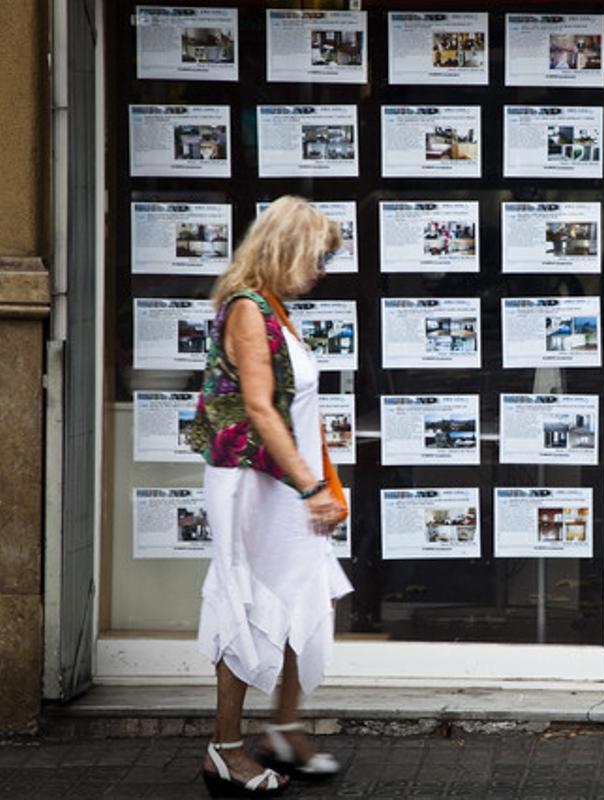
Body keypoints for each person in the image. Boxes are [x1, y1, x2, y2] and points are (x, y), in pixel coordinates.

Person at [190, 196, 353, 797]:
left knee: (302, 595)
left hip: (285, 484)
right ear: (285, 249)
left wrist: (315, 483)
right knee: (247, 604)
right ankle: (224, 750)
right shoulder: (247, 311)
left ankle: (283, 728)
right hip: (256, 486)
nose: (323, 270)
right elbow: (259, 408)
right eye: (318, 257)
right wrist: (311, 486)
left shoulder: (275, 310)